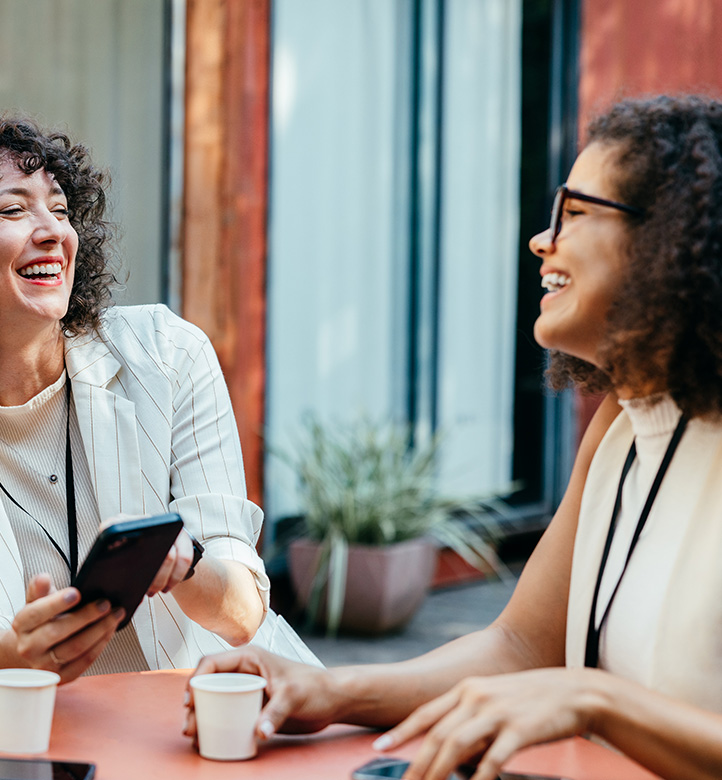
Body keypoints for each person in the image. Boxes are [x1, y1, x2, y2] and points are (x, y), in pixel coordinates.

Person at [185, 94, 722, 780]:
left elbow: (562, 680)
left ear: (673, 242)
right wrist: (322, 689)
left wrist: (594, 699)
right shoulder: (623, 425)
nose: (542, 239)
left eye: (576, 212)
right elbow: (523, 646)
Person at [0, 110, 318, 695]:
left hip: (231, 706)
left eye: (60, 209)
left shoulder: (167, 354)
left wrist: (185, 561)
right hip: (65, 735)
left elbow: (242, 613)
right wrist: (19, 651)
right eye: (13, 209)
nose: (54, 232)